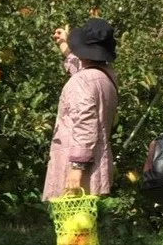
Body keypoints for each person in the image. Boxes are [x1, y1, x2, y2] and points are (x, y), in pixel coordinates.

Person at [43, 18, 119, 201]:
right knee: (84, 226)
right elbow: (83, 73)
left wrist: (76, 168)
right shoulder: (106, 76)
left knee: (73, 226)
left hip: (77, 170)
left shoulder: (82, 81)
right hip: (96, 166)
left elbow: (85, 125)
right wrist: (66, 48)